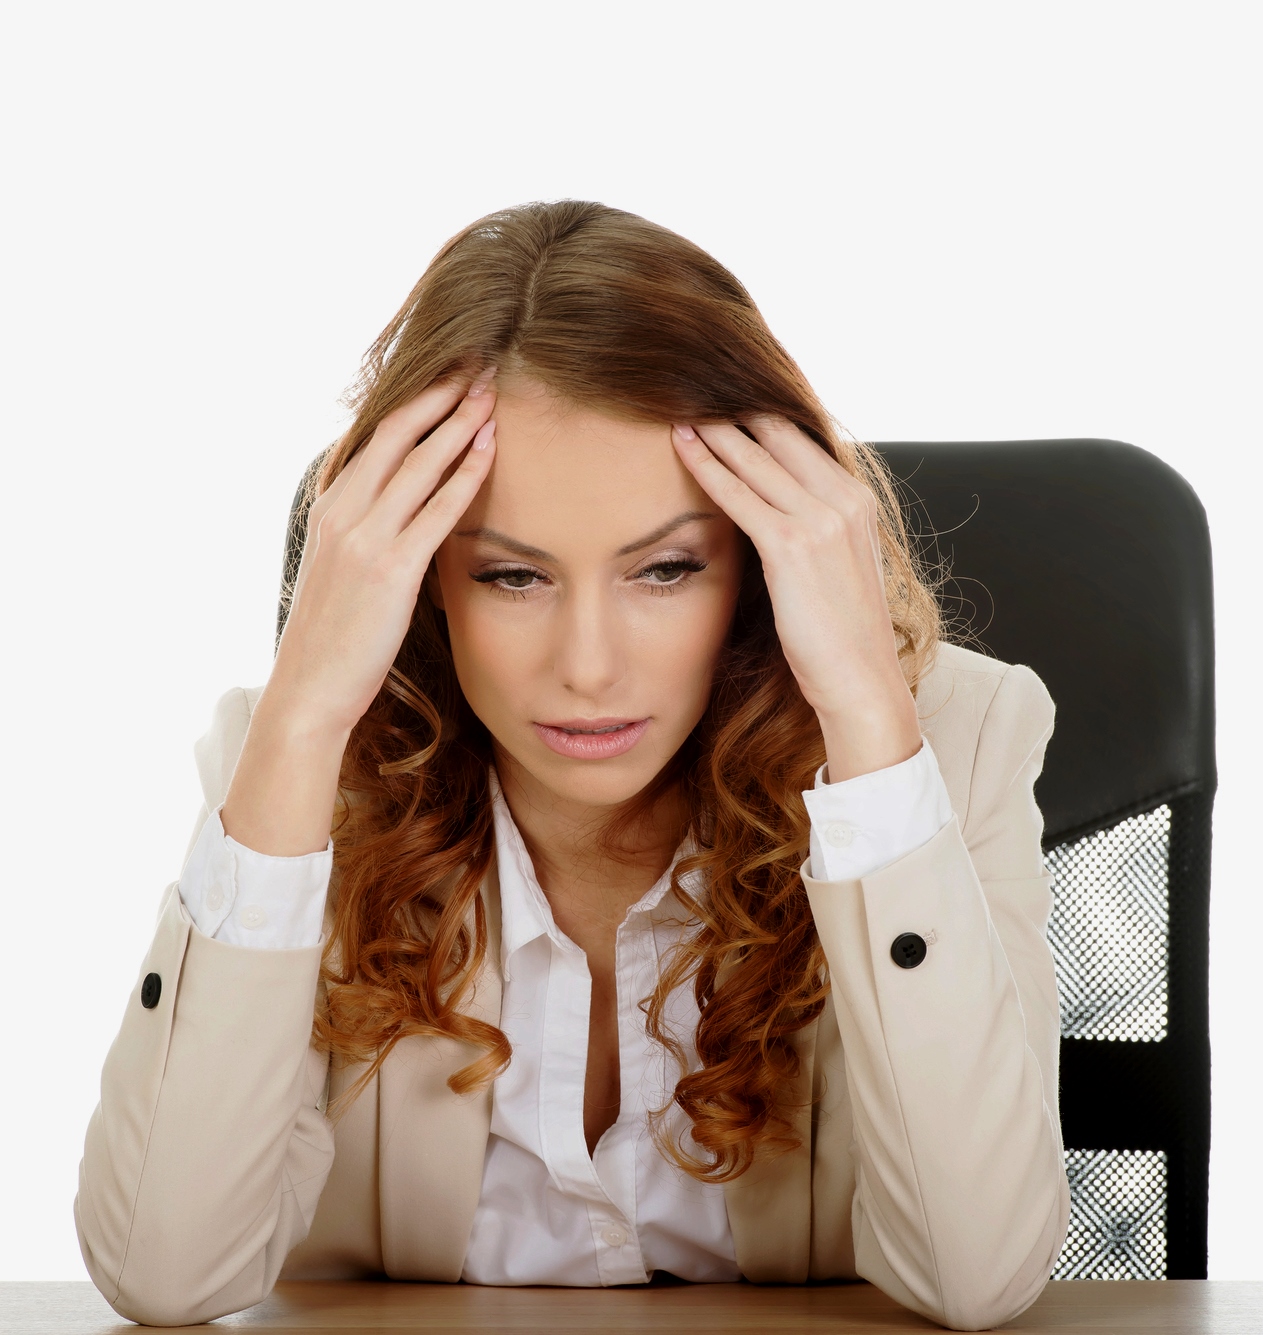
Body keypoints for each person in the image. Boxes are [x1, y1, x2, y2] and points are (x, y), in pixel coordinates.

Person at [74, 200, 1067, 1331]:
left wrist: (860, 716)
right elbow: (165, 1272)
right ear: (419, 580)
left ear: (756, 562)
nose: (588, 669)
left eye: (664, 571)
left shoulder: (954, 741)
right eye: (511, 576)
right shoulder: (304, 771)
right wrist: (300, 719)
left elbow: (977, 1275)